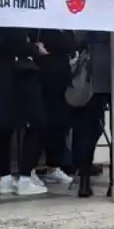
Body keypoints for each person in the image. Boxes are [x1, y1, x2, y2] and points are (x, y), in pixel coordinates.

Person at [0, 27, 49, 196]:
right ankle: (24, 178)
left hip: (2, 70)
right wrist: (35, 48)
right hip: (20, 73)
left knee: (5, 127)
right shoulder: (15, 17)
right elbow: (17, 43)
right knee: (37, 123)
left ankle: (5, 178)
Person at [34, 29, 78, 187]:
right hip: (45, 80)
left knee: (61, 124)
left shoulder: (66, 28)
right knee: (43, 124)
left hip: (62, 81)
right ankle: (30, 168)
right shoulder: (42, 27)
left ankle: (54, 166)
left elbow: (72, 44)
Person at [70, 30, 111, 198]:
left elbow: (77, 39)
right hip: (111, 70)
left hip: (93, 78)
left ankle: (84, 181)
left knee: (87, 130)